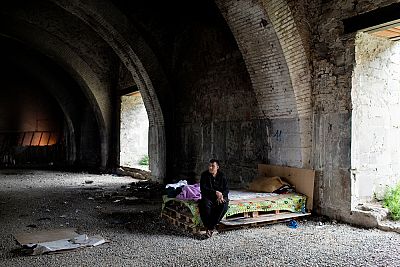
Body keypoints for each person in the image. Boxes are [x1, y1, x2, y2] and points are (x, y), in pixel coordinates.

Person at [199, 159, 229, 238]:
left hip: (220, 197)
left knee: (224, 205)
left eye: (213, 166)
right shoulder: (204, 175)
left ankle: (210, 227)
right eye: (209, 166)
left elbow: (226, 189)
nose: (210, 167)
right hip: (209, 196)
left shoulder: (222, 175)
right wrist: (215, 192)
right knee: (204, 205)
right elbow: (203, 189)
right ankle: (211, 227)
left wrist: (222, 195)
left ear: (217, 167)